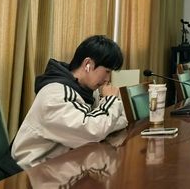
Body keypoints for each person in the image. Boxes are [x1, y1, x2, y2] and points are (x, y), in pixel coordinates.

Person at [11, 35, 129, 169]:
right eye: (107, 71)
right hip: (30, 172)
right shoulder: (55, 95)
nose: (108, 79)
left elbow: (119, 121)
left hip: (62, 166)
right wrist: (111, 100)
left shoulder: (89, 90)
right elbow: (92, 132)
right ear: (88, 64)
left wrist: (105, 122)